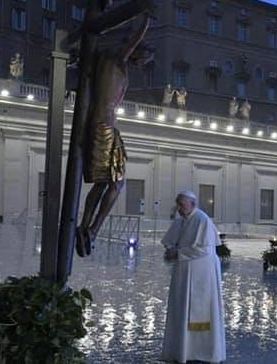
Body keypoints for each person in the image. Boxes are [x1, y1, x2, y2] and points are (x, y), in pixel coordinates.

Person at [75, 13, 153, 257]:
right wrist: (145, 17)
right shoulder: (118, 59)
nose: (143, 63)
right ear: (136, 52)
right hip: (105, 128)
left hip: (100, 126)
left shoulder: (103, 64)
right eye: (145, 58)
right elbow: (132, 39)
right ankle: (93, 230)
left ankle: (85, 228)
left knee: (101, 183)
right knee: (117, 185)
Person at [161, 191, 226, 363]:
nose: (179, 208)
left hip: (202, 273)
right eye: (178, 205)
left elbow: (203, 249)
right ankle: (183, 350)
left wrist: (178, 253)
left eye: (182, 205)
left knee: (200, 309)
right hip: (184, 272)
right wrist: (170, 249)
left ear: (192, 203)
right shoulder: (182, 220)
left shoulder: (202, 220)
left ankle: (201, 351)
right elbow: (171, 240)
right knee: (182, 308)